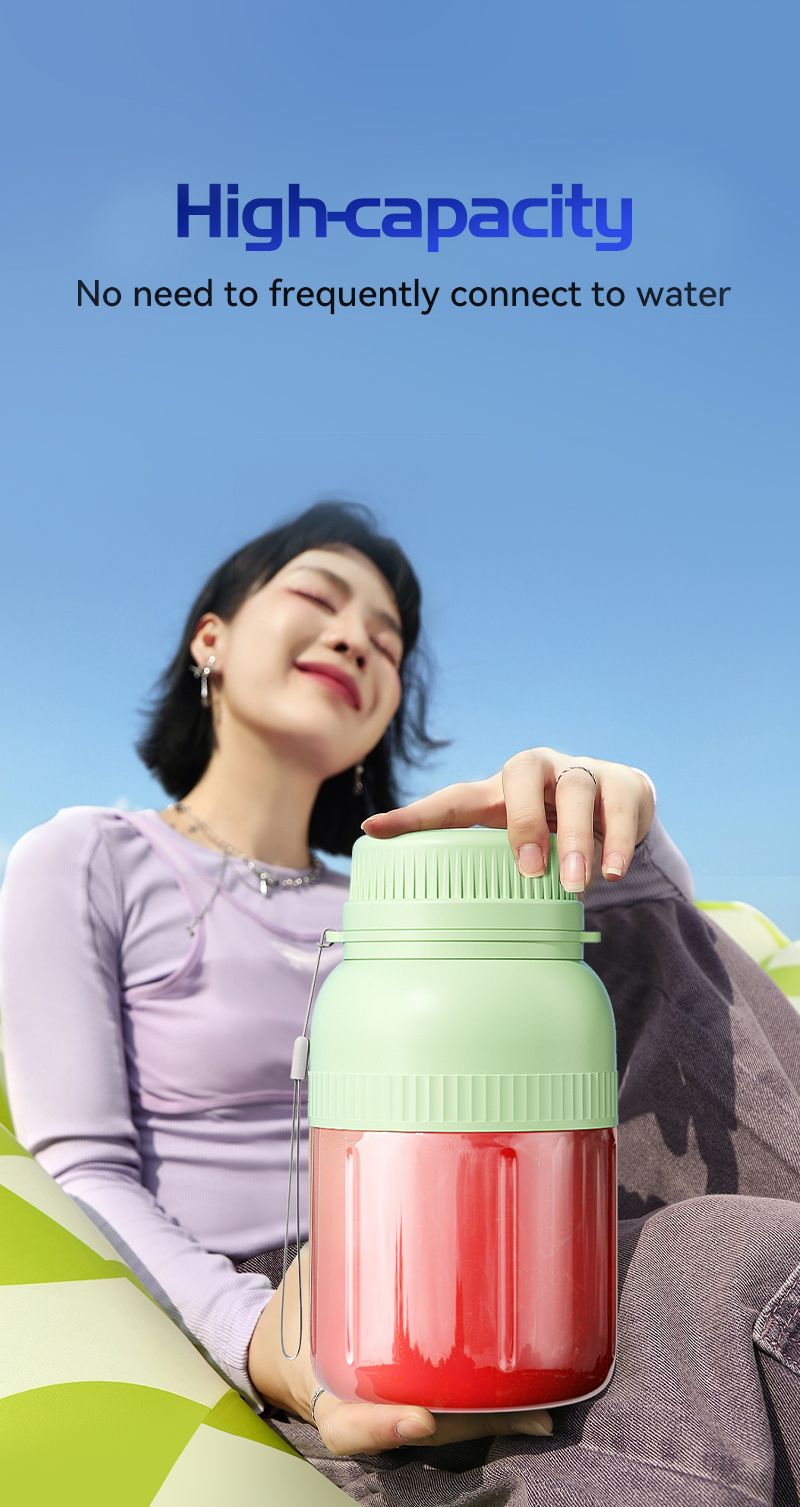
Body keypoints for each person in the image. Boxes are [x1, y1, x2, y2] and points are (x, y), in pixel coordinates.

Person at [3, 501, 795, 1504]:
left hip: (528, 1232)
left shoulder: (404, 893)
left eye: (386, 643)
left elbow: (671, 1001)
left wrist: (612, 829)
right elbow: (82, 1165)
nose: (356, 640)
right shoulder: (91, 854)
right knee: (752, 1271)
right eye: (318, 597)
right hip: (307, 1293)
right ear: (211, 637)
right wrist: (264, 1338)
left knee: (630, 931)